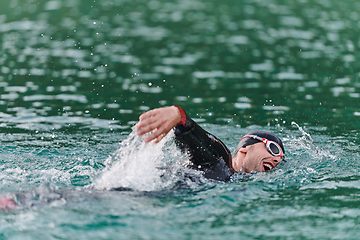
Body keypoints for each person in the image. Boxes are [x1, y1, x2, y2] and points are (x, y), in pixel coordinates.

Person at [136, 105, 285, 182]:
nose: (277, 159)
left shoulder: (234, 181)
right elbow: (199, 138)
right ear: (245, 148)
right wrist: (179, 116)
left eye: (280, 159)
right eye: (272, 149)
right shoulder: (221, 160)